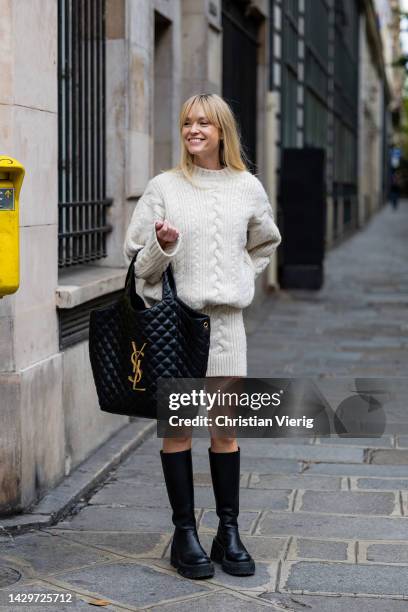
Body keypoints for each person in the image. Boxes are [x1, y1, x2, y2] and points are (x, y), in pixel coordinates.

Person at [123, 93, 282, 580]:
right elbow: (136, 262)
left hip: (227, 326)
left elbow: (265, 242)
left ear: (222, 132)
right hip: (177, 327)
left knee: (225, 431)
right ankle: (185, 533)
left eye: (203, 123)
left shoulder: (248, 187)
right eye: (187, 121)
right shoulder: (164, 187)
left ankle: (227, 532)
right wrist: (162, 246)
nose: (193, 130)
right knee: (177, 432)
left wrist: (241, 277)